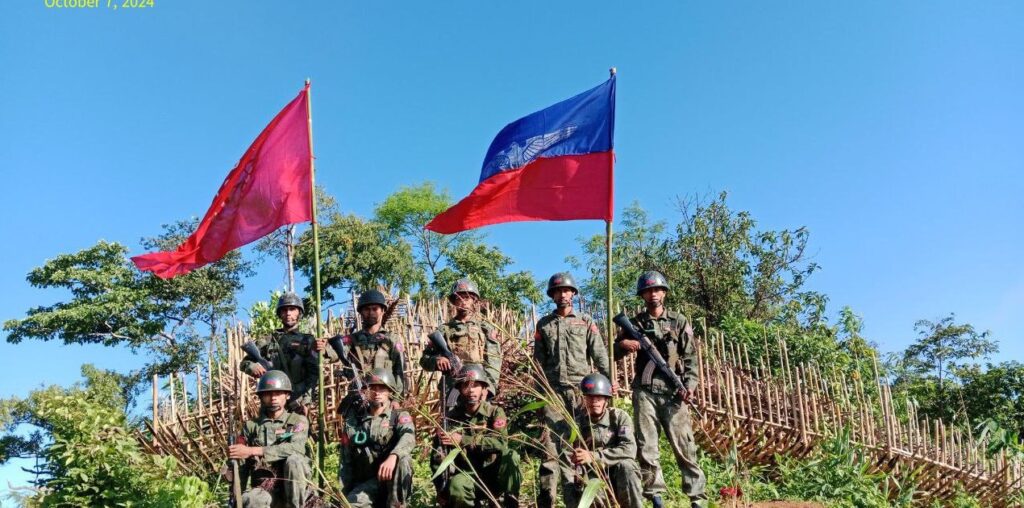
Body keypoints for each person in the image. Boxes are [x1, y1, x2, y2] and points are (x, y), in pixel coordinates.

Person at [614, 271, 706, 508]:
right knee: (647, 446)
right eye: (648, 291)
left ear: (664, 293)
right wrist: (624, 344)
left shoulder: (679, 321)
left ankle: (697, 497)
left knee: (684, 445)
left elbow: (691, 358)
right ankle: (655, 497)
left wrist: (689, 386)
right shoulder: (634, 324)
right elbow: (614, 352)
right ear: (642, 295)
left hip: (673, 392)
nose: (653, 294)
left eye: (657, 290)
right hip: (645, 391)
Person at [533, 272, 611, 508]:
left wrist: (607, 386)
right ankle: (547, 501)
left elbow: (600, 356)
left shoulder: (585, 322)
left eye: (567, 290)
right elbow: (538, 363)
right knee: (550, 450)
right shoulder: (544, 324)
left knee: (581, 448)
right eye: (558, 291)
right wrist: (539, 396)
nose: (563, 294)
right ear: (552, 295)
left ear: (574, 294)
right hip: (553, 394)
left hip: (581, 393)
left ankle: (579, 502)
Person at [432, 364, 520, 508]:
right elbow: (437, 455)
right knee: (457, 486)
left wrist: (463, 440)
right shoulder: (451, 419)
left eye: (476, 385)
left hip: (494, 475)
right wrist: (440, 488)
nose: (471, 390)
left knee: (512, 456)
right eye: (466, 385)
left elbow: (501, 443)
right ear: (460, 389)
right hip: (468, 475)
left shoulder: (495, 413)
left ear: (484, 390)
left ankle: (511, 502)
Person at [556, 373, 643, 508]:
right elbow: (567, 465)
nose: (594, 401)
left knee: (628, 466)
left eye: (599, 398)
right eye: (590, 397)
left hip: (618, 475)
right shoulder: (575, 425)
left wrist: (593, 456)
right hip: (592, 478)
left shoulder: (619, 418)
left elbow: (629, 449)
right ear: (584, 399)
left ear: (606, 400)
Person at [229, 370, 312, 508]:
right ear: (261, 397)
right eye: (268, 393)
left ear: (287, 395)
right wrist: (235, 497)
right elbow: (241, 466)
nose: (273, 397)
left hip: (296, 488)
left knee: (294, 460)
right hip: (265, 487)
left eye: (278, 393)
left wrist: (253, 450)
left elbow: (296, 448)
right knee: (251, 499)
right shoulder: (251, 426)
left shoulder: (298, 420)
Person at [239, 292, 335, 411]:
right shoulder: (268, 340)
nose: (288, 313)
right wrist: (252, 367)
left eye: (292, 309)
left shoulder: (308, 340)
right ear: (279, 314)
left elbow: (331, 358)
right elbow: (244, 363)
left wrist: (323, 349)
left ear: (299, 312)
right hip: (272, 401)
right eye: (284, 310)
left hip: (298, 401)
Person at [338, 368, 416, 508]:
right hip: (367, 483)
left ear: (390, 392)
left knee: (403, 460)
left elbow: (409, 436)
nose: (377, 393)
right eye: (372, 388)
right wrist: (342, 494)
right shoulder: (353, 422)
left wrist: (394, 456)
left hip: (393, 480)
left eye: (382, 388)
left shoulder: (398, 416)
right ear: (365, 391)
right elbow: (345, 461)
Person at [420, 278, 502, 408]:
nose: (463, 301)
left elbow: (494, 362)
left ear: (474, 300)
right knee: (452, 423)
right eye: (459, 298)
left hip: (478, 385)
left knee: (479, 424)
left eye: (467, 298)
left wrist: (489, 388)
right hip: (452, 386)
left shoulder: (485, 328)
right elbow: (424, 360)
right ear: (454, 301)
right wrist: (437, 360)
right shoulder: (443, 330)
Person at [337, 289, 409, 400]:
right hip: (358, 398)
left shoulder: (391, 340)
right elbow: (331, 352)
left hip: (384, 399)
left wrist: (397, 399)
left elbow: (400, 371)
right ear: (360, 312)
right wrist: (321, 347)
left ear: (383, 311)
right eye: (366, 309)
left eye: (375, 309)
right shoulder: (352, 339)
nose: (370, 313)